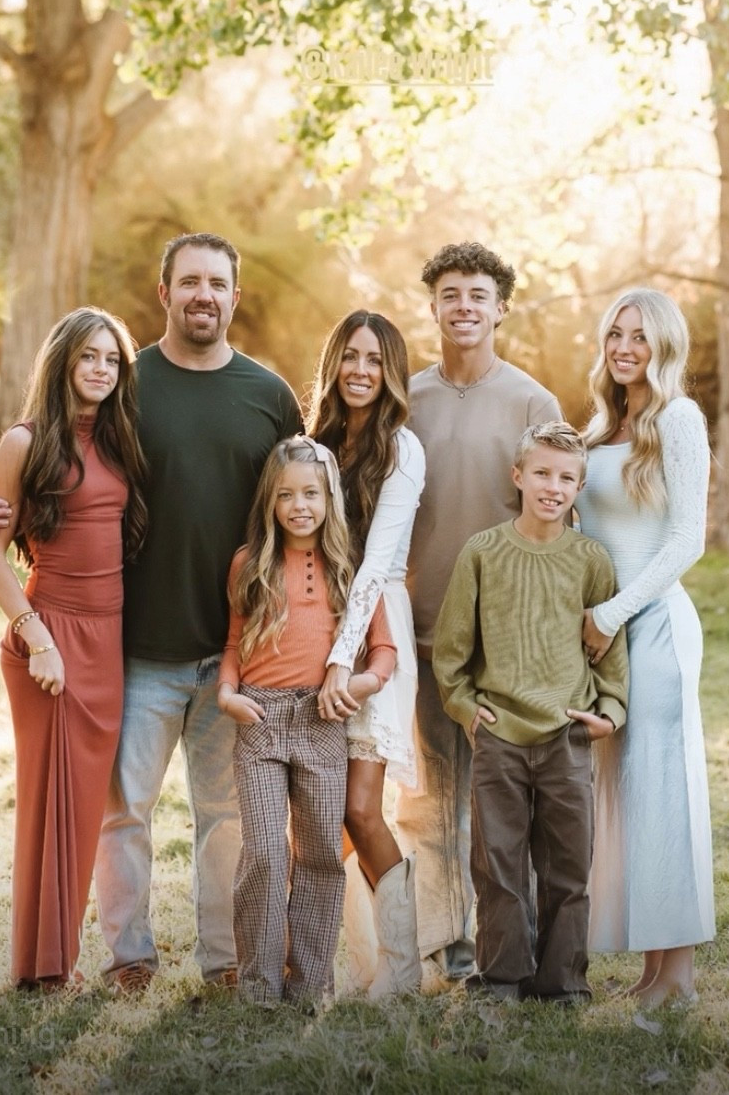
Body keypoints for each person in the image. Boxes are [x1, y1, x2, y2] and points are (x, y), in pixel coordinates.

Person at [0, 233, 302, 994]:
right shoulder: (125, 385)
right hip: (134, 650)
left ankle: (221, 960)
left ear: (234, 296)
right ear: (164, 293)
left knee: (226, 819)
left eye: (217, 283)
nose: (203, 296)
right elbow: (59, 460)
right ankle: (130, 958)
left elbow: (297, 507)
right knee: (124, 814)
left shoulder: (269, 395)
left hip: (231, 653)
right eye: (189, 281)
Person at [398, 242, 561, 982]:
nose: (464, 305)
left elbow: (556, 522)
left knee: (501, 812)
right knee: (431, 808)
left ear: (501, 308)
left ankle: (511, 952)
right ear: (431, 306)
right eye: (450, 294)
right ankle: (448, 949)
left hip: (502, 644)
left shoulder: (532, 402)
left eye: (478, 295)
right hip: (422, 632)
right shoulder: (407, 399)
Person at [0, 307, 148, 990]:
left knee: (84, 811)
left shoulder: (118, 437)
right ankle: (42, 967)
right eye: (89, 357)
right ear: (63, 364)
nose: (101, 369)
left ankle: (59, 959)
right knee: (47, 804)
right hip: (48, 639)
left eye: (111, 359)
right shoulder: (25, 441)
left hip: (107, 642)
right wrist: (37, 639)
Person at [432, 422, 628, 1002]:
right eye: (541, 473)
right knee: (498, 866)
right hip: (500, 735)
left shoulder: (591, 559)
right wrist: (465, 706)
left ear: (579, 488)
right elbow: (451, 649)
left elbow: (610, 648)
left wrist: (610, 711)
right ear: (517, 477)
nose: (553, 487)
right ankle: (500, 978)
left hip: (567, 733)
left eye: (567, 478)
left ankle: (562, 981)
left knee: (568, 868)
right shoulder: (483, 552)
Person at [218, 437, 398, 1005]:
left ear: (329, 498)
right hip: (260, 718)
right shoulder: (249, 563)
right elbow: (232, 644)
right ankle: (259, 984)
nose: (300, 505)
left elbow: (385, 653)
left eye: (311, 493)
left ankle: (311, 981)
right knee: (267, 852)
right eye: (287, 495)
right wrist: (227, 694)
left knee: (320, 851)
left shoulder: (350, 569)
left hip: (322, 719)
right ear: (270, 502)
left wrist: (356, 684)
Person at [576, 287, 715, 1008]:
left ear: (663, 346)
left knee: (663, 788)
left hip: (653, 624)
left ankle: (680, 975)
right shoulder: (600, 427)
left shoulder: (679, 420)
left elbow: (684, 539)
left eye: (639, 337)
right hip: (601, 631)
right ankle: (650, 969)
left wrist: (615, 612)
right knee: (624, 794)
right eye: (614, 335)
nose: (624, 347)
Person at [310, 312, 426, 997]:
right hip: (312, 629)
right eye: (349, 356)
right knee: (321, 819)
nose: (359, 370)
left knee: (360, 808)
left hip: (375, 629)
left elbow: (376, 564)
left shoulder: (402, 449)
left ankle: (402, 969)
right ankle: (343, 964)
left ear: (391, 374)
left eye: (374, 361)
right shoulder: (311, 443)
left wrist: (340, 663)